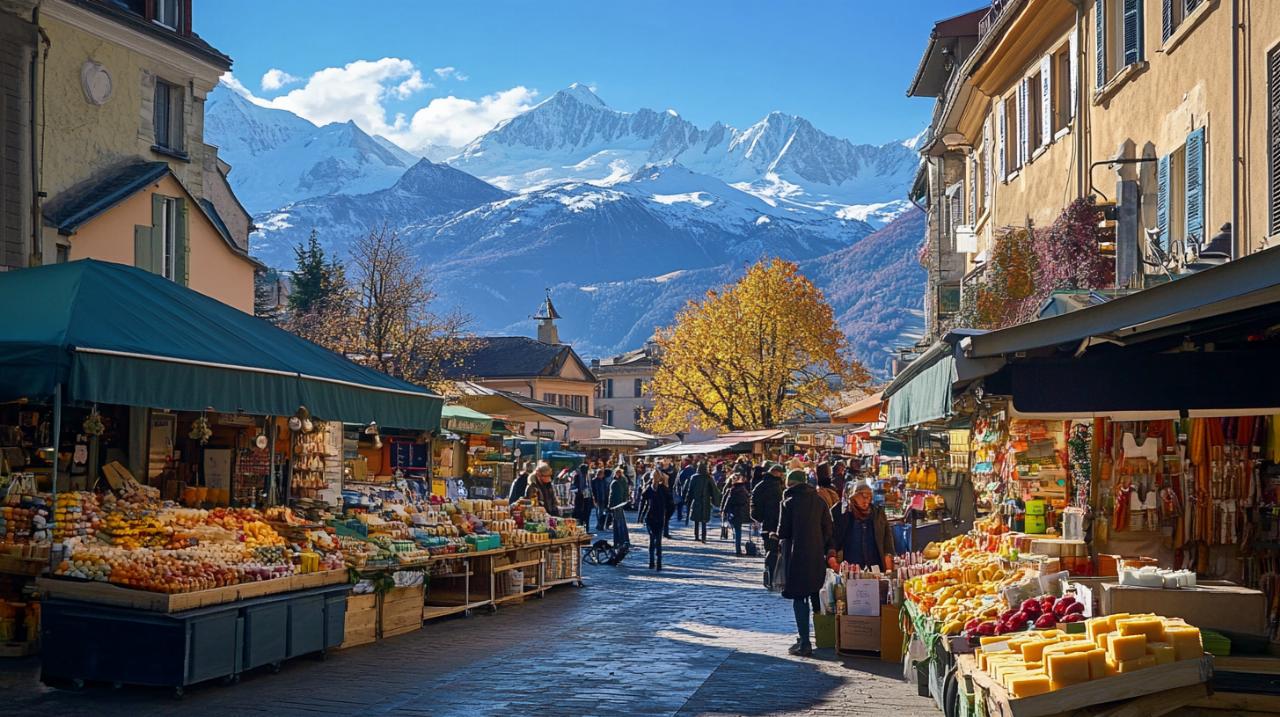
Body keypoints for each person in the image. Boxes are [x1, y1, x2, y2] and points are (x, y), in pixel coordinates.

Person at [778, 469, 833, 657]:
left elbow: (783, 531)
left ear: (791, 483)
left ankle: (804, 641)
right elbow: (828, 529)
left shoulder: (788, 502)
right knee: (816, 594)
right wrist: (820, 545)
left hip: (796, 557)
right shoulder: (820, 501)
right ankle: (822, 636)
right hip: (816, 556)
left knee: (799, 598)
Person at [830, 482, 896, 572]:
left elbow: (887, 543)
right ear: (854, 497)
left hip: (875, 570)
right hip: (852, 570)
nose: (866, 500)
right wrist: (833, 561)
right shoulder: (844, 515)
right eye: (863, 496)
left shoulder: (878, 515)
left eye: (869, 497)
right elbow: (833, 540)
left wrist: (888, 569)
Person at [752, 462, 786, 584]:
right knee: (775, 552)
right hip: (777, 525)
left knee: (769, 551)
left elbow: (753, 505)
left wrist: (758, 518)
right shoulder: (781, 488)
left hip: (766, 525)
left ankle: (769, 575)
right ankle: (772, 577)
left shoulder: (760, 486)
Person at [639, 472, 675, 570]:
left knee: (658, 541)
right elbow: (643, 501)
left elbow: (671, 505)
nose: (655, 479)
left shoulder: (664, 489)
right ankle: (651, 562)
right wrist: (641, 516)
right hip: (650, 518)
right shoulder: (649, 489)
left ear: (659, 479)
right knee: (652, 540)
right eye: (654, 477)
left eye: (657, 477)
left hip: (659, 518)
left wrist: (667, 517)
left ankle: (658, 563)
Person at [683, 460, 721, 543]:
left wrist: (688, 499)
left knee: (697, 520)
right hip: (705, 501)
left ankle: (696, 536)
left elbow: (690, 490)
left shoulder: (694, 477)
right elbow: (714, 490)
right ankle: (703, 537)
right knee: (703, 520)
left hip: (696, 501)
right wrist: (716, 500)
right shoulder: (708, 478)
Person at [721, 471, 752, 555]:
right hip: (742, 513)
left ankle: (738, 549)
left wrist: (724, 511)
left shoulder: (733, 490)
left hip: (734, 512)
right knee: (738, 530)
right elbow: (748, 501)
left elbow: (728, 501)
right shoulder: (744, 490)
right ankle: (738, 548)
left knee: (737, 530)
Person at [608, 467, 631, 548]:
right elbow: (626, 491)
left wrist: (609, 506)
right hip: (620, 504)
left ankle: (619, 541)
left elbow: (611, 495)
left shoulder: (615, 483)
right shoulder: (623, 481)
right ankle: (623, 540)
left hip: (616, 505)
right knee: (621, 522)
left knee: (618, 524)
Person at [572, 463, 594, 530]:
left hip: (588, 497)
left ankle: (587, 529)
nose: (586, 470)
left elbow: (590, 486)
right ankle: (581, 529)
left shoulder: (588, 476)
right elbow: (574, 486)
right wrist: (579, 491)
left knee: (587, 514)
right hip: (580, 498)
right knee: (580, 515)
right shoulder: (577, 476)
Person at [674, 459, 694, 524]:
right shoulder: (682, 470)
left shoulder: (687, 470)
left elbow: (679, 480)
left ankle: (682, 517)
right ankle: (683, 517)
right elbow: (677, 480)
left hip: (684, 490)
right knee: (683, 504)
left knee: (682, 504)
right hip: (684, 490)